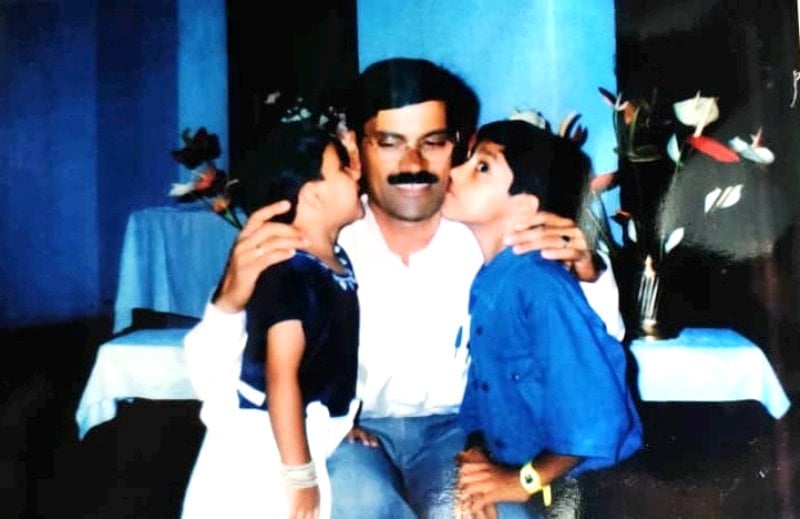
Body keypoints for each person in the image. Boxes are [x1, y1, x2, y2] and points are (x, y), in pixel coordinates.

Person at [184, 57, 626, 518]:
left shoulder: (493, 231)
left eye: (432, 143)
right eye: (390, 143)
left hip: (460, 435)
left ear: (458, 145)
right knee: (356, 504)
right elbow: (215, 381)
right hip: (348, 434)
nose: (412, 164)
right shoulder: (314, 238)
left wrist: (588, 275)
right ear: (354, 148)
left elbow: (594, 351)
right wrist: (230, 298)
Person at [443, 119, 643, 519]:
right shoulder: (491, 281)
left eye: (481, 167)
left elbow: (596, 417)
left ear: (524, 207)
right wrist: (477, 456)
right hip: (524, 472)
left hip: (578, 491)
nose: (453, 170)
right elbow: (484, 387)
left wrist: (519, 482)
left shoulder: (538, 285)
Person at [181, 123, 363, 519]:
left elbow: (325, 358)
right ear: (314, 194)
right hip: (264, 448)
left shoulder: (334, 260)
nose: (357, 174)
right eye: (345, 170)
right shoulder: (289, 271)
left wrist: (339, 416)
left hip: (301, 431)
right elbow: (283, 376)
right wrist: (300, 478)